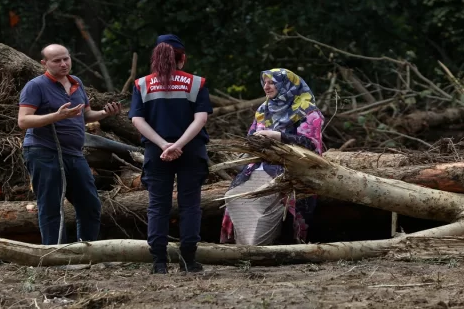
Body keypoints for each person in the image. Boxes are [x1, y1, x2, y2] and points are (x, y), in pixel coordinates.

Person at [18, 44, 121, 245]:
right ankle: (56, 256)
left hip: (74, 153)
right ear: (44, 64)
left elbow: (85, 115)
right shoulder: (35, 86)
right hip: (43, 151)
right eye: (57, 61)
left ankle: (86, 251)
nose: (64, 64)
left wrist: (105, 114)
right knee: (51, 207)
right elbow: (23, 121)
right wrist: (56, 116)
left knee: (90, 204)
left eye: (66, 59)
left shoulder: (77, 83)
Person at [128, 34, 213, 274]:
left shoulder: (142, 84)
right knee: (190, 205)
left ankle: (159, 263)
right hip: (191, 150)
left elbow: (137, 119)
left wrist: (164, 145)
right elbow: (201, 118)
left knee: (157, 206)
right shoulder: (196, 83)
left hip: (157, 152)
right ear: (182, 58)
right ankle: (188, 260)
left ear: (155, 58)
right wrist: (179, 145)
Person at [220, 68, 324, 246]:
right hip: (256, 167)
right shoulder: (264, 109)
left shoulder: (307, 111)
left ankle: (261, 244)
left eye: (271, 83)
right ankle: (246, 245)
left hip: (287, 168)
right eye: (265, 83)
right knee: (234, 195)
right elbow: (251, 137)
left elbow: (312, 145)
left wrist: (278, 136)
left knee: (265, 197)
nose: (266, 87)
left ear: (286, 84)